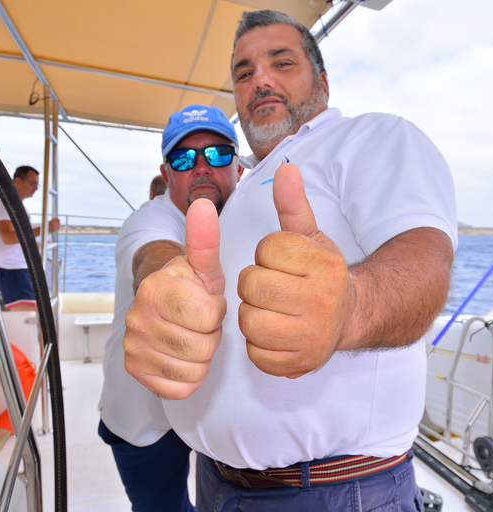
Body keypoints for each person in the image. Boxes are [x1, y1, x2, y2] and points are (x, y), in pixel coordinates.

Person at [123, 10, 457, 512]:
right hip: (216, 480)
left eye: (281, 62)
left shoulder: (371, 138)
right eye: (243, 72)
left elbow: (424, 263)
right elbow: (153, 241)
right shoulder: (242, 186)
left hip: (333, 490)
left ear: (321, 80)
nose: (260, 79)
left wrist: (351, 306)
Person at [98, 104, 243, 512]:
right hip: (144, 421)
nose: (201, 167)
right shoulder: (147, 220)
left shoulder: (247, 217)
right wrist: (171, 287)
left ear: (239, 167)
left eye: (216, 154)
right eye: (183, 158)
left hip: (211, 413)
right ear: (166, 176)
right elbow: (151, 256)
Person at [0, 165, 60, 311]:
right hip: (11, 270)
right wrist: (45, 229)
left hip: (19, 268)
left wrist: (34, 244)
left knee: (36, 317)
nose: (36, 188)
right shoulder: (4, 205)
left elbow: (16, 238)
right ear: (18, 181)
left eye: (37, 184)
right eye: (33, 183)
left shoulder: (18, 207)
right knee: (30, 318)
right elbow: (7, 238)